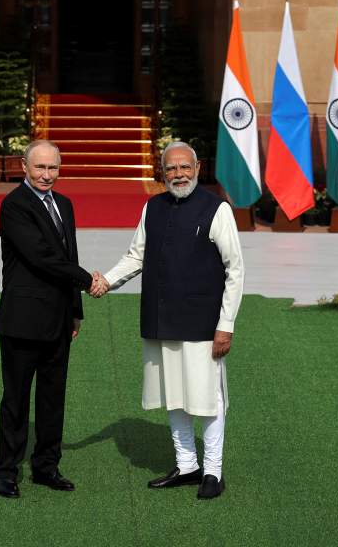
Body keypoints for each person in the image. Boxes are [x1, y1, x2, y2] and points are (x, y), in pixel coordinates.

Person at [92, 141, 244, 500]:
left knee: (207, 399)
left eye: (185, 167)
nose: (179, 174)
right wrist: (106, 282)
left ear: (197, 168)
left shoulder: (217, 209)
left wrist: (227, 324)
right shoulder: (153, 206)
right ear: (162, 173)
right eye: (171, 169)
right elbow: (136, 256)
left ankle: (213, 472)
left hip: (203, 325)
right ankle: (187, 464)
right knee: (173, 395)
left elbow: (235, 270)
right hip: (160, 320)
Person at [0, 139, 106, 498]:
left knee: (53, 398)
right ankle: (7, 471)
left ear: (60, 167)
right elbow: (41, 258)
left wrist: (75, 310)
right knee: (17, 399)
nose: (46, 175)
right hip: (22, 320)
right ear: (25, 167)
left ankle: (46, 467)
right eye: (39, 167)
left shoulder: (65, 205)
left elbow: (68, 254)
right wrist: (89, 280)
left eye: (52, 168)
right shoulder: (13, 206)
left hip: (58, 321)